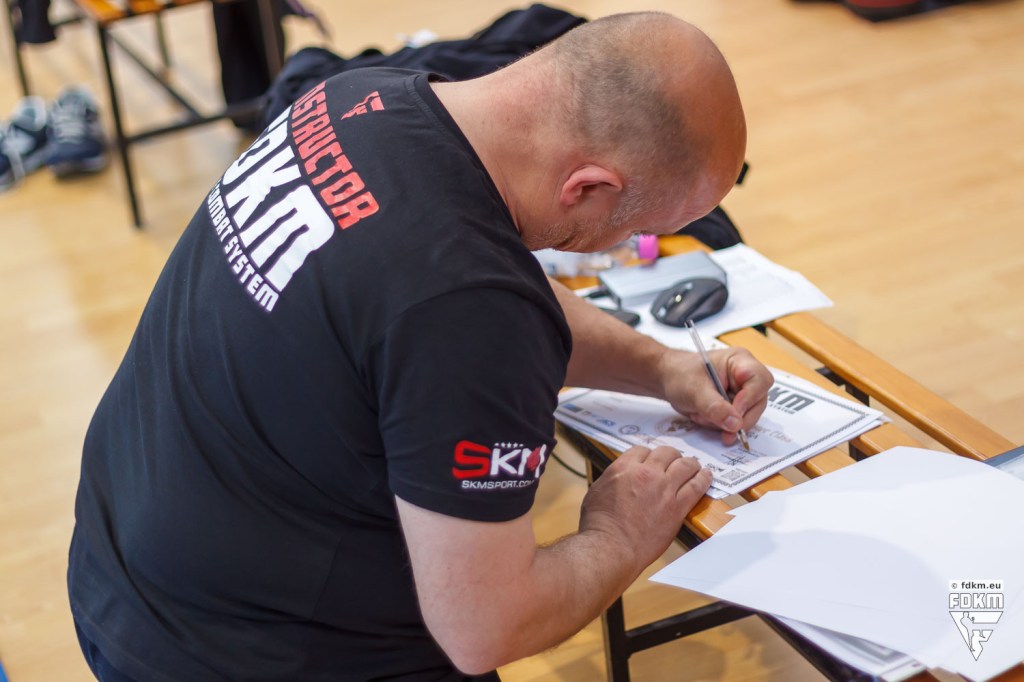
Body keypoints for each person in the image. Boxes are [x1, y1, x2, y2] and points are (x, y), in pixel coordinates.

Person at [68, 11, 772, 682]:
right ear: (586, 186)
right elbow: (488, 627)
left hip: (122, 568)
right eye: (637, 227)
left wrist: (664, 368)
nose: (627, 243)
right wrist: (620, 532)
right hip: (234, 653)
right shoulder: (469, 306)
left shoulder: (355, 99)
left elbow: (457, 288)